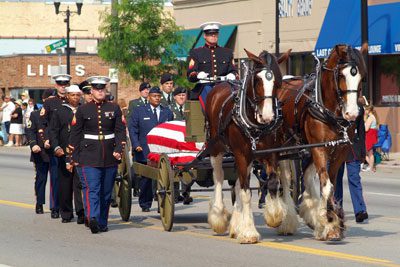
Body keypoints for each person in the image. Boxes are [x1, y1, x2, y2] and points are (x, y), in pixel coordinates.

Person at [68, 76, 126, 234]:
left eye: (102, 89)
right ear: (91, 91)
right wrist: (72, 156)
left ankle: (102, 222)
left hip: (109, 155)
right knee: (93, 188)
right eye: (97, 89)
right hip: (88, 155)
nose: (100, 92)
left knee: (106, 192)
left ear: (105, 90)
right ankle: (92, 217)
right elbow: (75, 133)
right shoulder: (83, 109)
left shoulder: (114, 108)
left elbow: (120, 131)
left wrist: (119, 149)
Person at [128, 87, 173, 212]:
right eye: (154, 96)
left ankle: (162, 204)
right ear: (149, 97)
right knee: (146, 179)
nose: (157, 98)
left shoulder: (167, 112)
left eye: (159, 96)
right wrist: (136, 144)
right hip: (145, 150)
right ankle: (145, 203)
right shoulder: (139, 111)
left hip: (163, 150)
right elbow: (133, 129)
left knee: (163, 178)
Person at [49, 85, 85, 224]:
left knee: (80, 184)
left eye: (77, 95)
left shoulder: (84, 110)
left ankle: (81, 213)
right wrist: (56, 147)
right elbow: (53, 131)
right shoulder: (59, 112)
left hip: (81, 152)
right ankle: (66, 213)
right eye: (72, 95)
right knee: (65, 184)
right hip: (64, 152)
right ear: (67, 96)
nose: (75, 98)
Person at [39, 74, 71, 219]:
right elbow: (43, 123)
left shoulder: (75, 101)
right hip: (56, 143)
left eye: (65, 84)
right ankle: (55, 206)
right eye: (60, 84)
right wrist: (46, 139)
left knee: (72, 178)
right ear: (56, 86)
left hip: (72, 144)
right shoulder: (50, 103)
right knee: (57, 177)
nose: (63, 86)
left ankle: (69, 207)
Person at [187, 21, 238, 109]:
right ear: (205, 36)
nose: (213, 36)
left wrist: (232, 75)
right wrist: (198, 74)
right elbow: (190, 74)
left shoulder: (227, 53)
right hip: (205, 86)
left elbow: (234, 71)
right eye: (210, 34)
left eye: (215, 34)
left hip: (224, 85)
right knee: (211, 105)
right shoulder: (196, 53)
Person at [335, 107, 368, 223]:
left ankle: (360, 210)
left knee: (354, 179)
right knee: (336, 181)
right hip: (337, 147)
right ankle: (337, 210)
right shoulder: (336, 104)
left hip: (353, 149)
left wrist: (363, 151)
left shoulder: (359, 108)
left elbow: (361, 130)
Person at [25, 89, 55, 214]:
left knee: (56, 180)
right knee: (41, 178)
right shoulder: (35, 115)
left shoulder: (57, 114)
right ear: (44, 100)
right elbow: (30, 131)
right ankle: (39, 203)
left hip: (54, 151)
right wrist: (33, 144)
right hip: (40, 152)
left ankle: (55, 206)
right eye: (50, 100)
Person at [364, 105, 378, 172]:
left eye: (366, 110)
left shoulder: (370, 118)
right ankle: (372, 167)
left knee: (368, 153)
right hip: (371, 135)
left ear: (368, 110)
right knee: (369, 152)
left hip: (369, 135)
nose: (365, 111)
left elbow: (366, 129)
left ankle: (371, 167)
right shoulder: (373, 117)